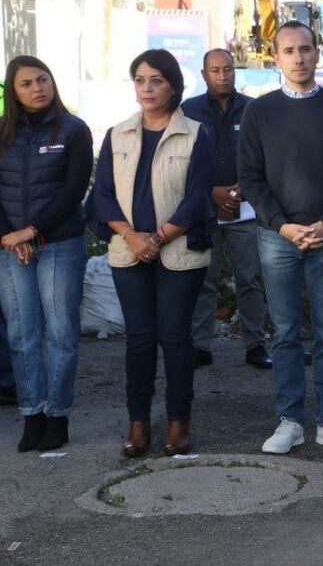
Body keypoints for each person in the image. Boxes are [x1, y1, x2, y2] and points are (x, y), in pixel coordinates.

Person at [238, 20, 323, 456]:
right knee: (286, 333)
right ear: (275, 57)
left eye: (306, 48)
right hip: (278, 238)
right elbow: (251, 180)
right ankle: (290, 419)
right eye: (289, 50)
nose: (298, 57)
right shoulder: (259, 112)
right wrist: (282, 224)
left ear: (319, 53)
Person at [90, 49, 215, 457]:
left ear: (174, 85)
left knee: (175, 337)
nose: (147, 88)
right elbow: (103, 196)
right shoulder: (117, 133)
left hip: (179, 252)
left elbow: (197, 198)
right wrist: (131, 236)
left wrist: (158, 238)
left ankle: (179, 424)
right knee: (140, 339)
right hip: (128, 251)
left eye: (156, 80)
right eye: (140, 79)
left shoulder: (196, 133)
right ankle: (138, 423)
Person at [0, 55, 92, 452]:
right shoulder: (3, 134)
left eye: (43, 80)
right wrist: (10, 236)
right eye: (26, 83)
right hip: (13, 248)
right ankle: (32, 414)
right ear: (13, 91)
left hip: (59, 244)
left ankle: (57, 415)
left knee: (61, 333)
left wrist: (32, 231)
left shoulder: (73, 130)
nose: (37, 88)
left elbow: (73, 192)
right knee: (22, 335)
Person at [181, 49, 271, 371]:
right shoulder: (189, 111)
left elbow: (263, 156)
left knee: (250, 279)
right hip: (204, 209)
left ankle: (255, 345)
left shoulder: (252, 109)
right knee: (205, 279)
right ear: (204, 74)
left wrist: (240, 189)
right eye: (215, 70)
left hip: (244, 210)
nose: (223, 76)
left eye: (228, 69)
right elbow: (180, 163)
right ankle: (200, 346)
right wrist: (211, 192)